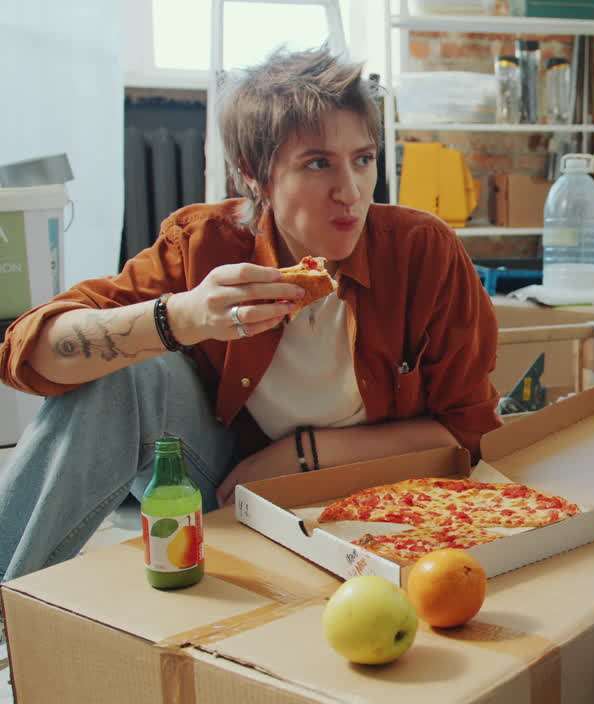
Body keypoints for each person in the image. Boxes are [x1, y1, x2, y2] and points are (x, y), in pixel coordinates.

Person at [0, 47, 501, 583]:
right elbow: (25, 353)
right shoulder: (203, 244)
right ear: (253, 174)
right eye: (318, 163)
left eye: (363, 159)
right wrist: (182, 317)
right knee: (124, 373)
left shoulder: (423, 251)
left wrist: (301, 454)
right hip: (230, 486)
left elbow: (466, 436)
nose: (350, 192)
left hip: (381, 494)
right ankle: (10, 603)